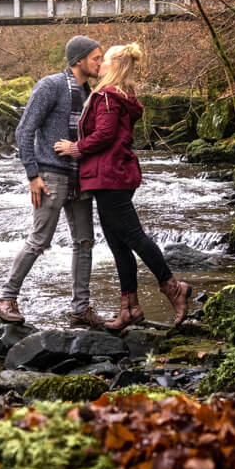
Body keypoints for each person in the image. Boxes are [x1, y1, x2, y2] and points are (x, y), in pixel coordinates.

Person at [54, 43, 191, 329]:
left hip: (108, 176)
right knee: (118, 244)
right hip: (114, 174)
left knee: (134, 237)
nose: (99, 63)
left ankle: (174, 288)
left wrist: (75, 148)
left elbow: (104, 134)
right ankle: (129, 308)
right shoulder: (122, 95)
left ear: (113, 66)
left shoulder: (106, 96)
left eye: (104, 60)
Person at [0, 35, 106, 328]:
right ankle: (6, 298)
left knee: (85, 242)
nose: (100, 63)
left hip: (80, 177)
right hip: (51, 174)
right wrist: (33, 175)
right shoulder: (51, 85)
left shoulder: (90, 92)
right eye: (96, 58)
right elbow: (24, 130)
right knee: (39, 240)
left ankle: (81, 309)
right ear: (79, 59)